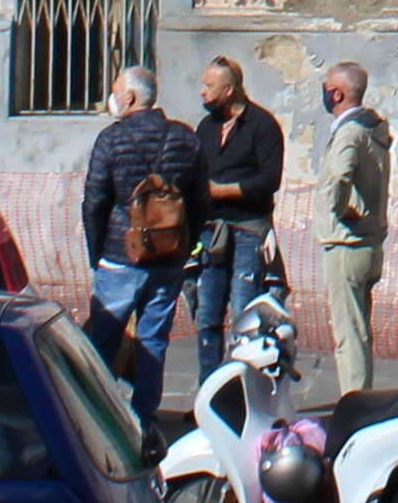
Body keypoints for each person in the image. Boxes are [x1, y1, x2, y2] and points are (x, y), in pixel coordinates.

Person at [79, 65, 206, 417]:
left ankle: (97, 415)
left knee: (103, 342)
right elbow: (200, 202)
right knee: (153, 341)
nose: (113, 97)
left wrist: (98, 253)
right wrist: (184, 248)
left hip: (120, 258)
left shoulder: (112, 139)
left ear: (130, 97)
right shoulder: (186, 138)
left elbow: (94, 201)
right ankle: (144, 419)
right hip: (168, 259)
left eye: (117, 90)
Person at [186, 55, 286, 394]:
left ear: (229, 90)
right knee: (207, 313)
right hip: (211, 231)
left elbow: (269, 179)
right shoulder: (206, 126)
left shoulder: (262, 125)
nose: (201, 92)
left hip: (249, 229)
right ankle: (208, 392)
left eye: (208, 86)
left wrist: (223, 190)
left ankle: (244, 393)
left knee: (245, 315)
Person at [316, 64, 393, 396]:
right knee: (359, 331)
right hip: (369, 242)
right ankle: (361, 396)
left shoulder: (350, 132)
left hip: (347, 243)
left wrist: (336, 209)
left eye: (328, 86)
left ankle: (355, 404)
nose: (324, 90)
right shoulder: (373, 128)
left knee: (349, 335)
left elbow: (339, 174)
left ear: (338, 93)